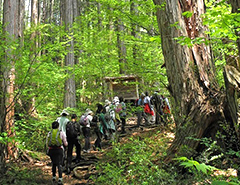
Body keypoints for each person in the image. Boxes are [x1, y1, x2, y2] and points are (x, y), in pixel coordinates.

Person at [46, 121, 68, 185]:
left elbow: (47, 142)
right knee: (59, 164)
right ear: (58, 126)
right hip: (59, 150)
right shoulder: (61, 133)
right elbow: (65, 143)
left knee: (54, 163)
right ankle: (60, 179)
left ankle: (53, 177)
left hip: (51, 150)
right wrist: (66, 145)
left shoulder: (50, 133)